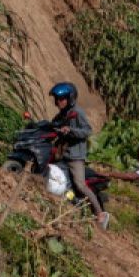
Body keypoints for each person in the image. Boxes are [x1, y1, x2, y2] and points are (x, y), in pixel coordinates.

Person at [49, 82, 110, 230]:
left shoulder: (77, 112)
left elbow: (87, 131)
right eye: (57, 99)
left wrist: (70, 130)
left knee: (80, 185)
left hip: (75, 156)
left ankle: (100, 213)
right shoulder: (62, 114)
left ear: (70, 98)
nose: (58, 101)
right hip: (63, 154)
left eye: (62, 98)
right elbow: (53, 124)